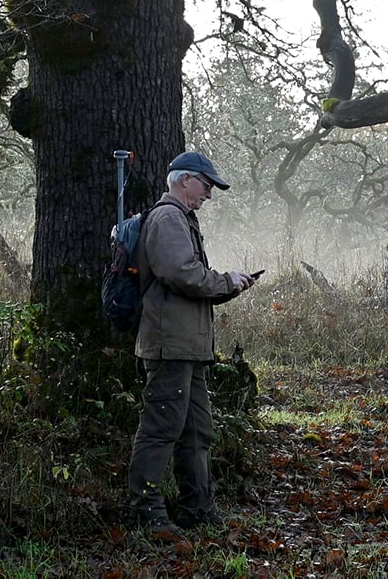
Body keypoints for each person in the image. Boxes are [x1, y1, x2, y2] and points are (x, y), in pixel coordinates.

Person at [128, 150, 258, 540]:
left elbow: (187, 277)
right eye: (206, 185)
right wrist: (227, 282)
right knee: (160, 429)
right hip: (170, 346)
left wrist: (227, 284)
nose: (209, 195)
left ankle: (197, 508)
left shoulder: (181, 218)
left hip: (187, 347)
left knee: (197, 431)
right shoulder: (168, 217)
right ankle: (147, 513)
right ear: (184, 180)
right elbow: (181, 274)